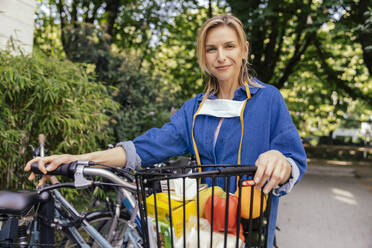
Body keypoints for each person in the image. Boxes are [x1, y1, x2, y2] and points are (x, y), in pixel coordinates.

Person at [25, 15, 306, 247]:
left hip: (251, 230)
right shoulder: (195, 109)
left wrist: (280, 160)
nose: (221, 57)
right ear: (204, 56)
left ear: (244, 50)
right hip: (202, 230)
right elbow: (144, 148)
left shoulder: (268, 99)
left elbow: (294, 158)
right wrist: (76, 158)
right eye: (211, 49)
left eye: (229, 47)